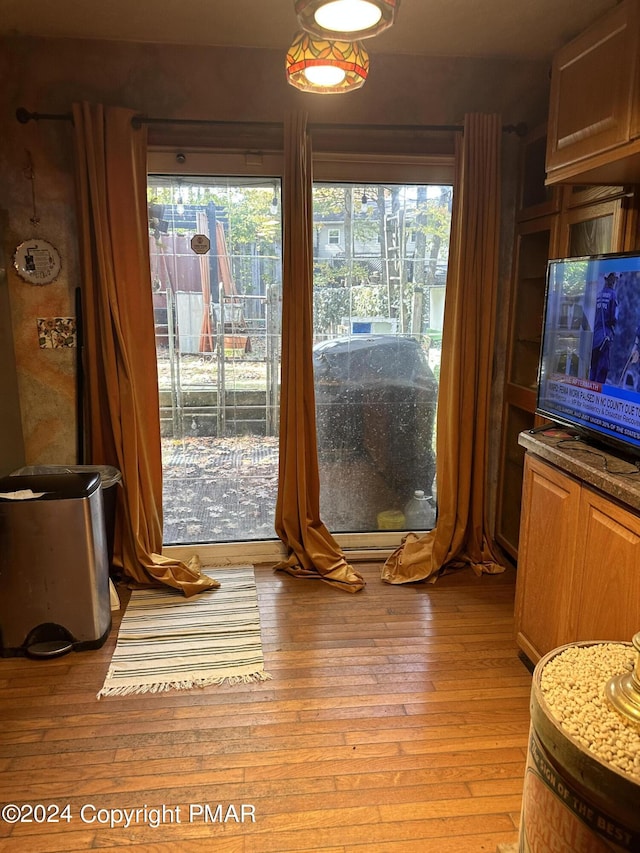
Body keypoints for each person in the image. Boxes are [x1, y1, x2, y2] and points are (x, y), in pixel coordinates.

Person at [589, 272, 618, 383]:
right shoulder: (613, 295)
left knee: (593, 368)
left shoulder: (598, 295)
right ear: (613, 280)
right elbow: (613, 318)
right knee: (603, 368)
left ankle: (590, 393)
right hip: (605, 338)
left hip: (595, 338)